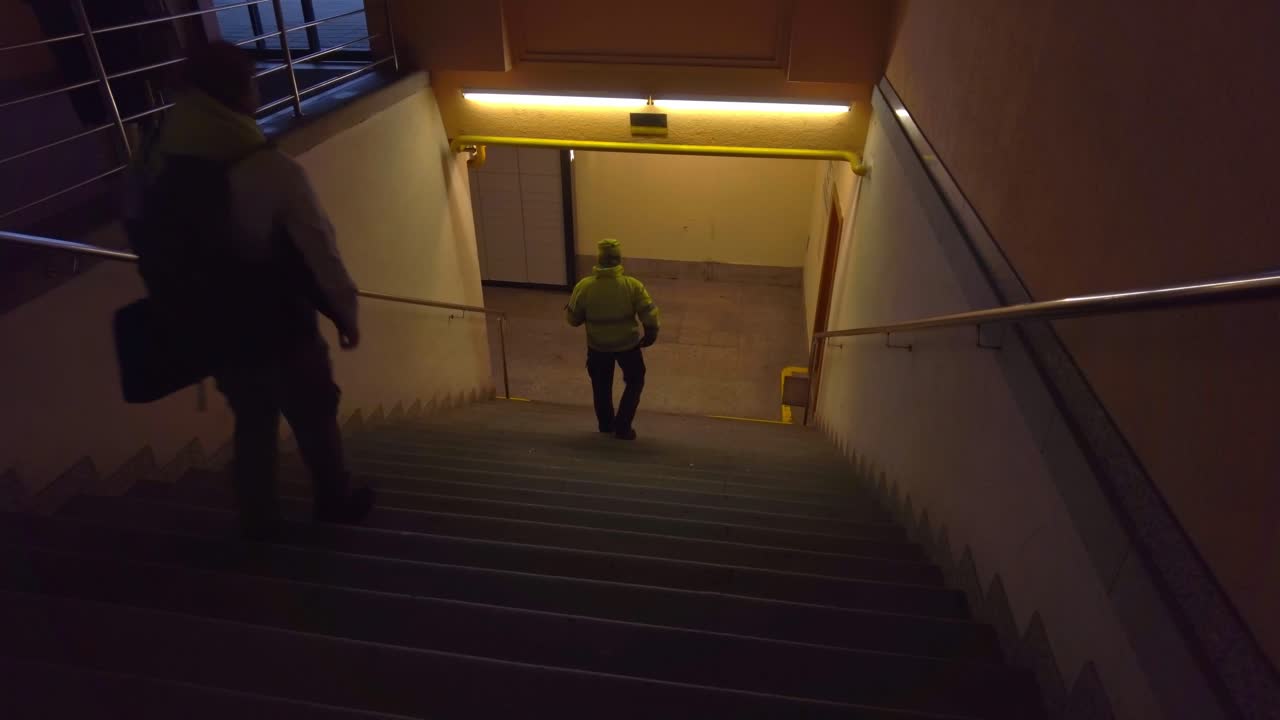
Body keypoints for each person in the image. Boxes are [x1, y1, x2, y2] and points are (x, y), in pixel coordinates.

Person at [126, 42, 372, 539]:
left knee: (253, 423)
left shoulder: (157, 150)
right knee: (314, 414)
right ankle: (334, 498)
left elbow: (139, 224)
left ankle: (259, 522)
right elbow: (321, 253)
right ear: (238, 92)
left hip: (212, 325)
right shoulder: (268, 169)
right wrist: (346, 315)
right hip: (279, 324)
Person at [566, 239, 660, 440]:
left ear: (598, 260)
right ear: (619, 260)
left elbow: (573, 320)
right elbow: (650, 315)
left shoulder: (584, 287)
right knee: (635, 380)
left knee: (601, 386)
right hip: (628, 346)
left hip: (597, 347)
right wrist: (651, 334)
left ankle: (606, 425)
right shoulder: (632, 286)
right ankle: (623, 426)